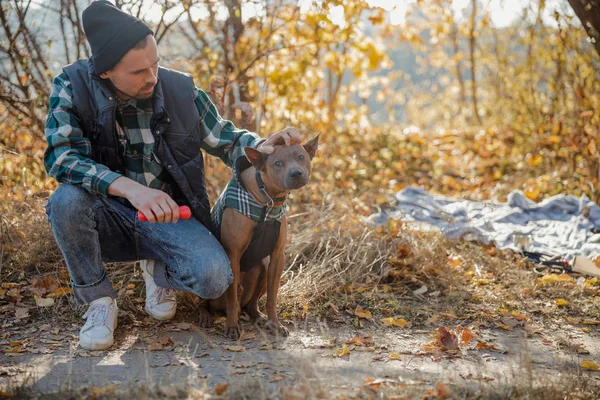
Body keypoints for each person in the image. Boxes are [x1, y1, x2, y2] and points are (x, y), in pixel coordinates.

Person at [43, 0, 301, 351]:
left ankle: (159, 267)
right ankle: (99, 302)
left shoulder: (179, 91)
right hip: (110, 214)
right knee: (65, 201)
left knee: (214, 279)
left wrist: (263, 145)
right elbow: (62, 157)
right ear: (103, 72)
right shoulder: (72, 86)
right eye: (138, 72)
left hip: (172, 217)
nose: (152, 77)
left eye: (156, 63)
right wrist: (131, 190)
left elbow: (226, 139)